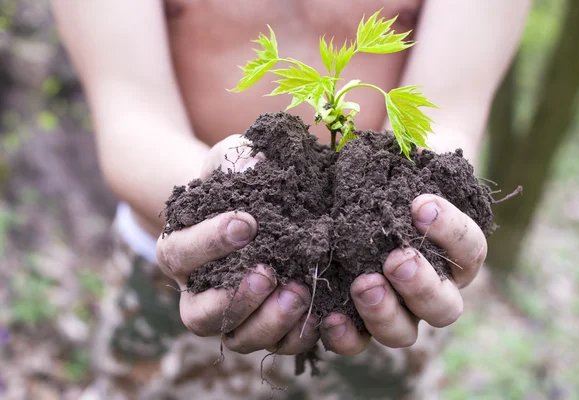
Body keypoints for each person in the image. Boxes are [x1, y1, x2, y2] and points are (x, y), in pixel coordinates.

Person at [52, 1, 531, 399]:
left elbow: (447, 114)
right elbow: (129, 112)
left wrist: (419, 205)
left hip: (381, 282)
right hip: (183, 275)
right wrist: (219, 196)